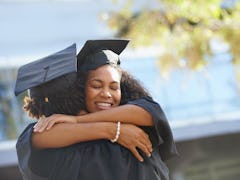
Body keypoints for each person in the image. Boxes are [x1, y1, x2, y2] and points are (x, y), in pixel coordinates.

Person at [15, 40, 177, 180]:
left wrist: (79, 120)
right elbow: (36, 137)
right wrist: (114, 131)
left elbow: (149, 113)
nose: (106, 94)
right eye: (96, 86)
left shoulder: (137, 124)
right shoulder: (60, 138)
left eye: (114, 87)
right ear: (80, 90)